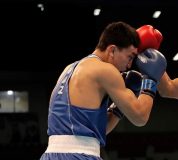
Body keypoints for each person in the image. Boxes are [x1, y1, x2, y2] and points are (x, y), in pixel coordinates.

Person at [40, 21, 166, 160]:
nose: (129, 65)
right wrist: (151, 81)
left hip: (51, 155)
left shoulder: (70, 68)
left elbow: (98, 129)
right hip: (79, 156)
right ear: (112, 50)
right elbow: (140, 117)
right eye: (130, 57)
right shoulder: (106, 70)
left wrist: (119, 107)